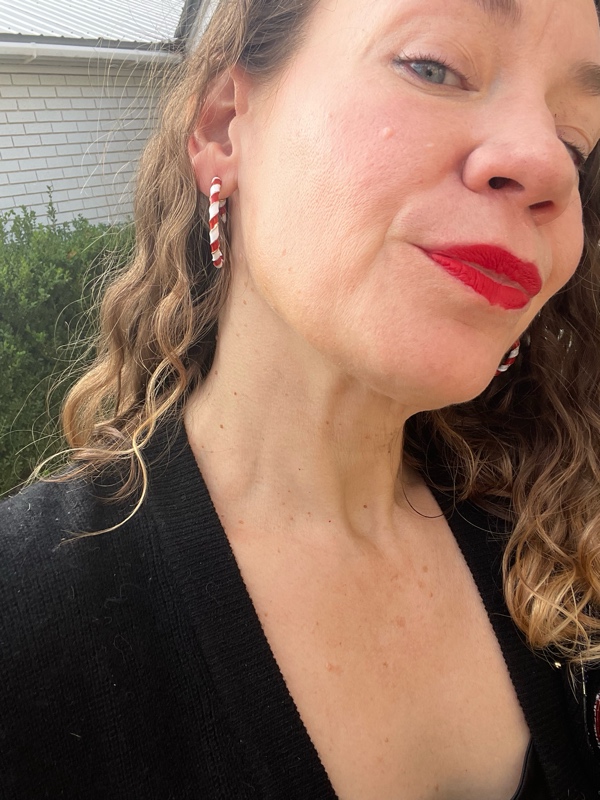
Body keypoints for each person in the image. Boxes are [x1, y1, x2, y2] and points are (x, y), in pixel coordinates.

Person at [2, 0, 600, 797]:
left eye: (577, 143)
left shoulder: (563, 550)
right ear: (223, 127)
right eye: (434, 66)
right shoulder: (25, 629)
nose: (551, 168)